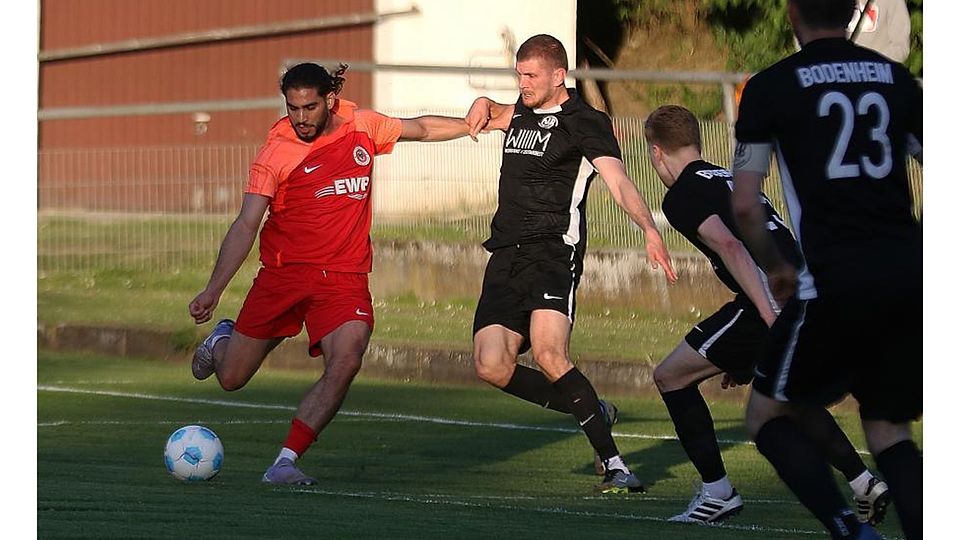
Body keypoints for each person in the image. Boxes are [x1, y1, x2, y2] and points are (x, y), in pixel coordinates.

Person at [188, 62, 483, 485]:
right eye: (293, 109)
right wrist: (214, 289)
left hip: (345, 278)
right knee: (232, 378)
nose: (301, 118)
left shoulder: (363, 128)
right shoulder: (276, 153)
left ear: (329, 100)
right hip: (284, 276)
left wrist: (479, 127)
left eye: (309, 107)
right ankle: (222, 340)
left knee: (346, 359)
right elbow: (246, 224)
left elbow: (421, 128)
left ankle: (285, 461)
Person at [644, 104, 889, 525]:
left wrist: (769, 318)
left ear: (655, 153)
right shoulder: (728, 177)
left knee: (670, 375)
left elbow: (731, 247)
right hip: (809, 290)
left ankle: (717, 492)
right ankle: (864, 481)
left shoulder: (681, 193)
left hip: (771, 300)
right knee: (788, 397)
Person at [730, 1, 922, 539]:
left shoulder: (771, 86)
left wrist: (774, 267)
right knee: (889, 430)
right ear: (851, 13)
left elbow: (745, 205)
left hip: (833, 278)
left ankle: (850, 530)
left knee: (768, 417)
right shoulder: (895, 79)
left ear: (792, 14)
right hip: (908, 276)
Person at [464, 34, 678, 494]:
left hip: (553, 252)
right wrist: (484, 100)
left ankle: (615, 461)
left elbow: (618, 180)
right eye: (518, 75)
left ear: (558, 76)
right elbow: (495, 113)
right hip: (505, 255)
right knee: (491, 365)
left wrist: (647, 227)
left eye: (531, 76)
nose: (522, 83)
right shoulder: (520, 109)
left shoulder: (586, 121)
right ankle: (592, 408)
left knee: (548, 354)